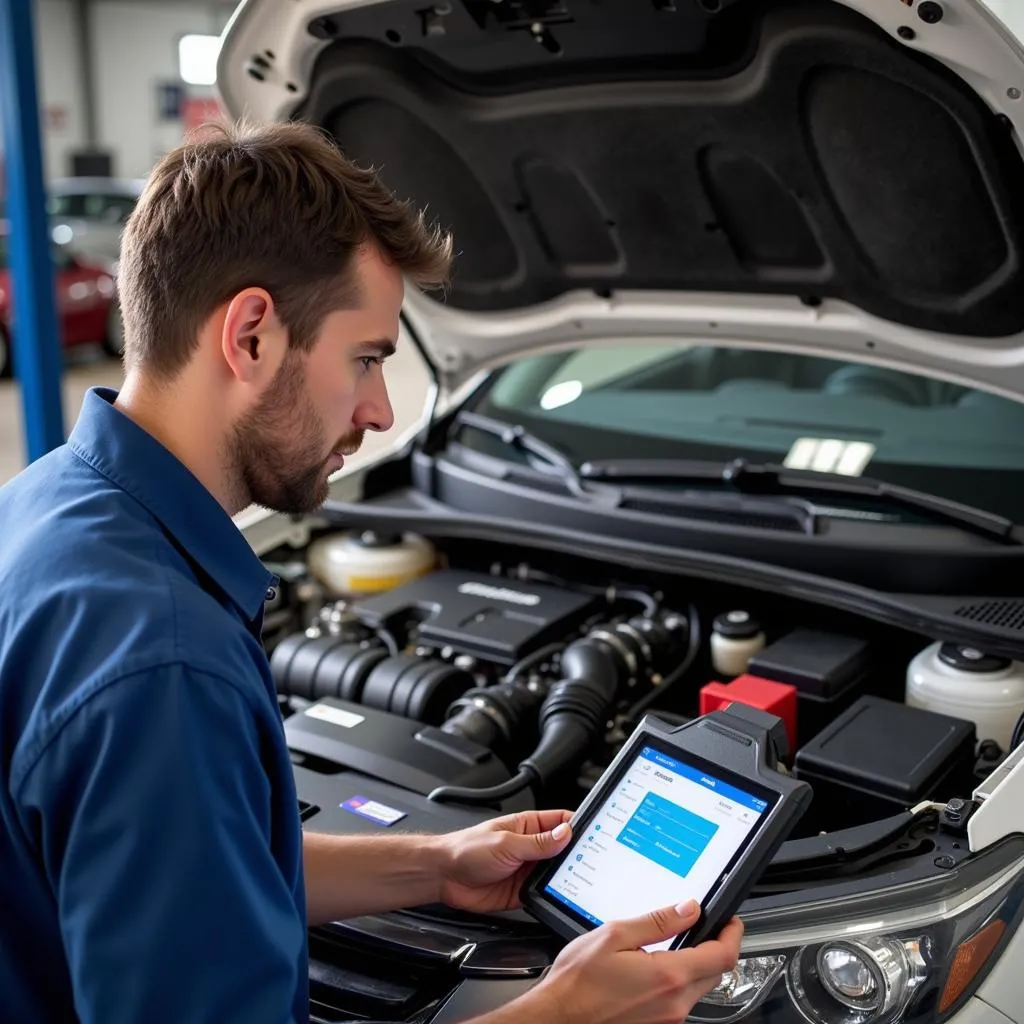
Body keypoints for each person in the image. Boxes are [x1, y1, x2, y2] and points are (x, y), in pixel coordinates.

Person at [0, 119, 743, 1023]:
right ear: (252, 336)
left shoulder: (45, 504)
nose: (382, 411)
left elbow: (201, 874)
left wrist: (437, 865)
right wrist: (563, 1014)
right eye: (366, 359)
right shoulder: (164, 663)